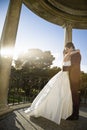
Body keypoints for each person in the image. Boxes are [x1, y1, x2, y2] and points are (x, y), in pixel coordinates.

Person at [24, 46, 80, 125]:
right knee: (57, 93)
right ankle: (41, 109)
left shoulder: (69, 55)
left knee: (63, 94)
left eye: (67, 48)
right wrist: (76, 51)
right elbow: (76, 51)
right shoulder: (67, 55)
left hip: (66, 76)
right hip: (63, 76)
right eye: (66, 49)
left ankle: (61, 110)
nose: (67, 50)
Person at [63, 42, 81, 120]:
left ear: (71, 48)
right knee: (70, 95)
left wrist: (65, 69)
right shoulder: (72, 53)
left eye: (67, 49)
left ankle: (75, 115)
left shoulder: (77, 55)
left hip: (74, 78)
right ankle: (70, 112)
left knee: (74, 96)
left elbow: (74, 66)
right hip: (69, 77)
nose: (66, 50)